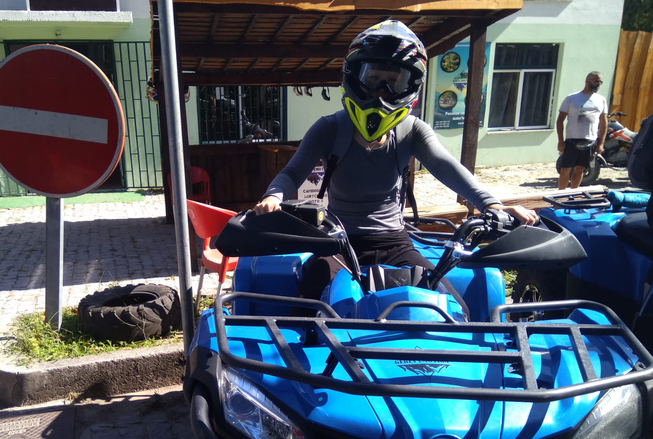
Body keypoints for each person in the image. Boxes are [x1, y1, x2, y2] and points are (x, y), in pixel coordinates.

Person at [253, 20, 538, 307]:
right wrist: (273, 196)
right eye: (373, 78)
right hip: (339, 239)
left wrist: (493, 205)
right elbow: (293, 171)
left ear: (409, 87)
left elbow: (448, 167)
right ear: (354, 77)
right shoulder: (329, 128)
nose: (381, 91)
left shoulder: (412, 130)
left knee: (452, 308)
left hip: (394, 242)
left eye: (394, 82)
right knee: (305, 308)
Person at [556, 72, 608, 190]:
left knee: (580, 169)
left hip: (590, 140)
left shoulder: (601, 100)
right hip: (572, 140)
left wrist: (601, 143)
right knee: (565, 169)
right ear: (587, 81)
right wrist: (560, 141)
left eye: (600, 82)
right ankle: (560, 196)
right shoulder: (572, 98)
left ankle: (573, 194)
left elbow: (604, 122)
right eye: (596, 81)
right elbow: (560, 120)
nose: (598, 84)